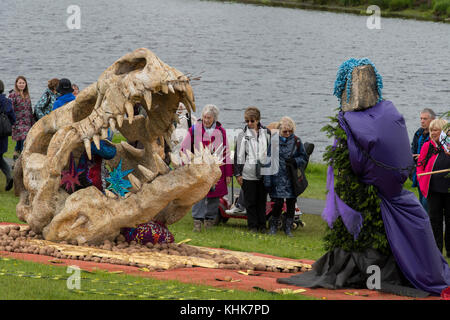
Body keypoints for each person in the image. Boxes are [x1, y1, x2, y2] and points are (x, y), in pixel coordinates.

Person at [180, 104, 232, 232]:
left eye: (209, 118)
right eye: (204, 117)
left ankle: (209, 221)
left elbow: (226, 153)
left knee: (214, 196)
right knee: (199, 195)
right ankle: (197, 222)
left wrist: (229, 174)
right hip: (199, 168)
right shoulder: (194, 129)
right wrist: (185, 165)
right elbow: (184, 148)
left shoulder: (221, 131)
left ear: (214, 118)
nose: (206, 120)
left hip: (216, 170)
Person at [264, 116, 307, 237]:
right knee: (277, 203)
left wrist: (295, 161)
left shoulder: (297, 142)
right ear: (279, 130)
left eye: (290, 131)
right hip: (277, 177)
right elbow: (267, 161)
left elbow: (304, 158)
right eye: (285, 131)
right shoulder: (274, 142)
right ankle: (273, 227)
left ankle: (287, 228)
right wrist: (267, 181)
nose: (287, 133)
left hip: (291, 178)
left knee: (291, 203)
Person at [234, 107, 271, 233]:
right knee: (250, 201)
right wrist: (238, 174)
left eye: (252, 121)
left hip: (263, 172)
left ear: (258, 120)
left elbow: (271, 153)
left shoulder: (267, 133)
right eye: (247, 121)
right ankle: (252, 226)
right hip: (247, 173)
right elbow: (238, 157)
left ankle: (262, 225)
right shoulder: (242, 135)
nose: (249, 124)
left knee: (261, 200)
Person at [417, 118, 450, 257]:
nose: (432, 133)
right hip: (433, 189)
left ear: (442, 130)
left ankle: (449, 250)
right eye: (431, 130)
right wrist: (421, 176)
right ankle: (437, 249)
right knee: (434, 219)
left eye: (435, 130)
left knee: (449, 219)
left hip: (448, 190)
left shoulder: (448, 146)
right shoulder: (427, 146)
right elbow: (420, 165)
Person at [411, 108, 436, 211]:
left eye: (425, 119)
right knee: (421, 201)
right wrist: (413, 156)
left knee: (427, 203)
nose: (422, 121)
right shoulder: (418, 133)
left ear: (432, 120)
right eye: (421, 118)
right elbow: (413, 148)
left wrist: (422, 156)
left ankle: (428, 223)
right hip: (419, 171)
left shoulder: (436, 134)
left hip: (431, 172)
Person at [8, 76, 33, 161]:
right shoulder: (13, 95)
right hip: (17, 123)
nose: (21, 85)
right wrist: (12, 122)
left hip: (27, 123)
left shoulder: (27, 95)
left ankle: (15, 159)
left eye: (23, 83)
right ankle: (22, 161)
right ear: (16, 84)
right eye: (20, 83)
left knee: (19, 143)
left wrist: (32, 123)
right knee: (24, 141)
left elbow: (30, 110)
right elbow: (9, 109)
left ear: (25, 84)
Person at [0, 80, 16, 191]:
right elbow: (13, 119)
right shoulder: (7, 101)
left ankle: (9, 176)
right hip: (2, 133)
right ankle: (9, 176)